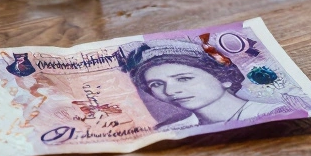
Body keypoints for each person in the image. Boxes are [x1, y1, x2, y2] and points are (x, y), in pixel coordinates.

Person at [123, 39, 287, 129]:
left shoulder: (277, 114)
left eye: (184, 78)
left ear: (224, 78)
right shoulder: (170, 130)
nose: (170, 91)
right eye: (156, 84)